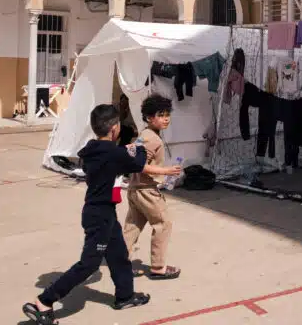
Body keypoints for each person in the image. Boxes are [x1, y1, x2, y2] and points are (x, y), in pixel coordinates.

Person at [22, 104, 182, 325]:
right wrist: (139, 146)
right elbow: (136, 164)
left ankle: (125, 296)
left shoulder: (91, 149)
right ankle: (44, 302)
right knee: (89, 264)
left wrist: (127, 151)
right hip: (100, 216)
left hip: (100, 210)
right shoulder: (114, 153)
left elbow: (112, 163)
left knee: (118, 256)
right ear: (115, 128)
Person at [123, 94, 181, 280]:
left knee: (132, 227)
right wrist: (166, 171)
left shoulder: (145, 134)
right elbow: (140, 165)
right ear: (149, 117)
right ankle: (158, 268)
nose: (166, 119)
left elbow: (133, 156)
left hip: (135, 190)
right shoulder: (152, 139)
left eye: (167, 114)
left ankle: (120, 262)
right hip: (146, 190)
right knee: (163, 224)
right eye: (161, 115)